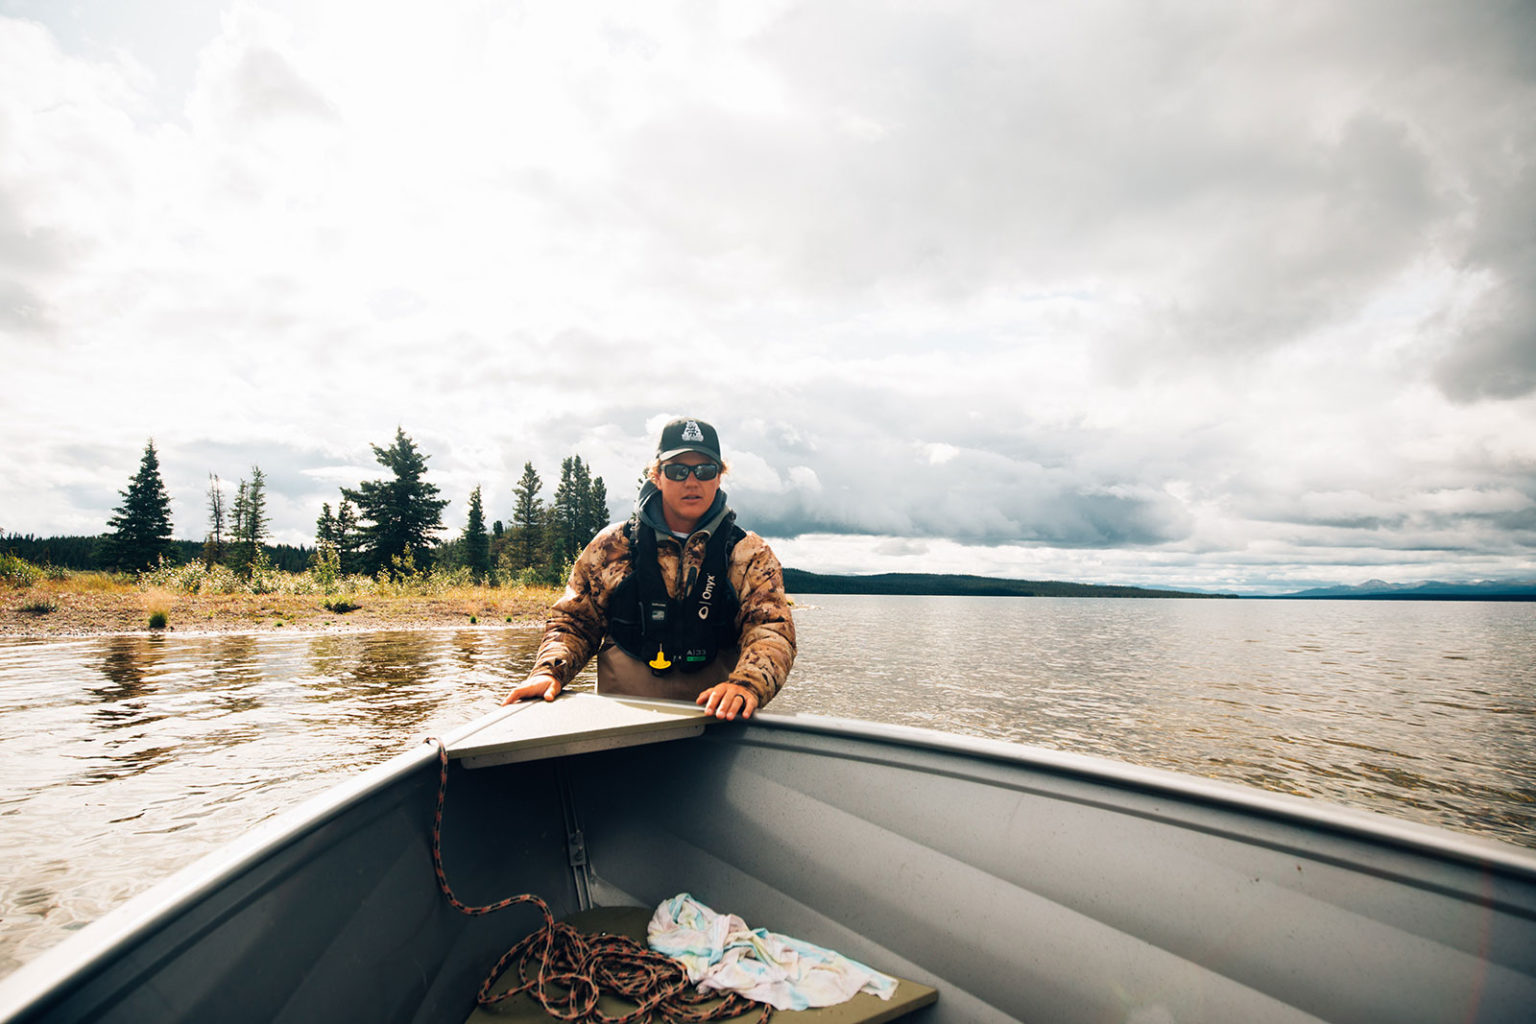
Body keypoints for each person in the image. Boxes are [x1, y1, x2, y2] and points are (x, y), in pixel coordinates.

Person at [503, 418, 795, 719]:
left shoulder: (750, 553)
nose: (691, 481)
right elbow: (574, 623)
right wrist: (549, 672)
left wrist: (748, 685)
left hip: (714, 724)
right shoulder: (611, 545)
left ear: (719, 477)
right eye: (678, 470)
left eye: (705, 470)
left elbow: (771, 631)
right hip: (618, 722)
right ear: (656, 475)